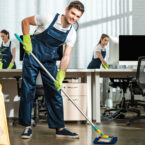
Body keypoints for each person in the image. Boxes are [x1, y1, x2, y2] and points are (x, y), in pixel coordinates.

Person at [19, 1, 84, 139]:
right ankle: (27, 127)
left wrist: (61, 74)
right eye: (73, 13)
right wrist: (26, 39)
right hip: (32, 55)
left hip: (49, 61)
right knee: (28, 89)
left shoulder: (71, 33)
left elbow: (66, 56)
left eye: (78, 16)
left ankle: (60, 127)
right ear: (66, 10)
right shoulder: (48, 18)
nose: (74, 18)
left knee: (55, 92)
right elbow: (25, 21)